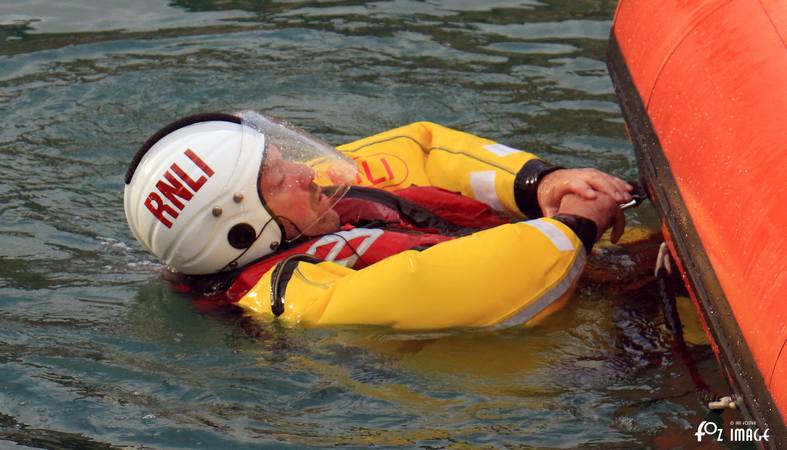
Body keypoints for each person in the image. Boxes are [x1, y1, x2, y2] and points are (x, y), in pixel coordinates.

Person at [124, 111, 632, 329]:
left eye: (284, 160)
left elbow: (422, 148)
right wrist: (575, 226)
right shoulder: (294, 296)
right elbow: (465, 287)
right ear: (242, 231)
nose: (306, 172)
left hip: (577, 253)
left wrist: (538, 183)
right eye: (279, 180)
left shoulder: (304, 204)